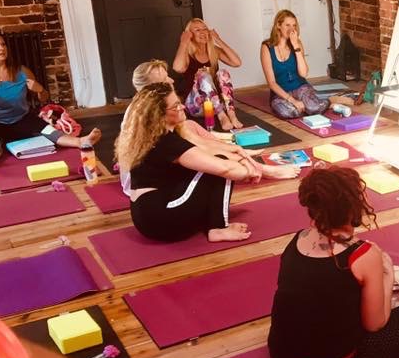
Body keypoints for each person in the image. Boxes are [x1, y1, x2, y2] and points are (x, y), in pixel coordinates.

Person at [267, 166, 399, 358]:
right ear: (352, 208)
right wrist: (388, 275)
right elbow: (375, 324)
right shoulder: (363, 255)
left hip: (281, 355)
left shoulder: (298, 239)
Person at [115, 83, 298, 243]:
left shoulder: (154, 135)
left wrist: (240, 154)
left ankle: (212, 224)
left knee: (215, 163)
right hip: (162, 220)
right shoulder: (166, 142)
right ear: (159, 114)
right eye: (176, 106)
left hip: (147, 217)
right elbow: (225, 169)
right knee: (221, 167)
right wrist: (250, 171)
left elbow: (204, 150)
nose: (182, 108)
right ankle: (218, 228)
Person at [118, 60, 259, 198]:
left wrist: (234, 150)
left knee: (192, 128)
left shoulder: (155, 112)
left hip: (148, 192)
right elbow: (214, 160)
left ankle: (252, 163)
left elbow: (199, 146)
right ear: (153, 89)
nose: (172, 80)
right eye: (165, 79)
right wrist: (246, 166)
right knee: (217, 170)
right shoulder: (160, 132)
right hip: (154, 193)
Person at [0, 28, 101, 169]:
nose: (1, 48)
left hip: (21, 119)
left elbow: (43, 99)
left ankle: (81, 141)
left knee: (48, 130)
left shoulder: (21, 72)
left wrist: (40, 89)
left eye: (3, 44)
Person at [259, 9, 354, 120]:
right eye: (287, 25)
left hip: (300, 87)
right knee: (287, 113)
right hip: (281, 93)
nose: (291, 29)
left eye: (294, 25)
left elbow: (303, 73)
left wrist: (296, 46)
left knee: (313, 108)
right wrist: (293, 101)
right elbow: (272, 83)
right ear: (278, 25)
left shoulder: (297, 44)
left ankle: (328, 101)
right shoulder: (266, 47)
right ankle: (317, 105)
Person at [172, 18, 244, 131]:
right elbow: (178, 68)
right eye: (197, 30)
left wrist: (218, 39)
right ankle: (222, 117)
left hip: (215, 104)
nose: (203, 32)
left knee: (223, 73)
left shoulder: (213, 50)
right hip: (196, 106)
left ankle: (231, 114)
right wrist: (184, 42)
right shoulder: (187, 52)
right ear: (190, 34)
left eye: (205, 29)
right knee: (203, 75)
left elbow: (237, 62)